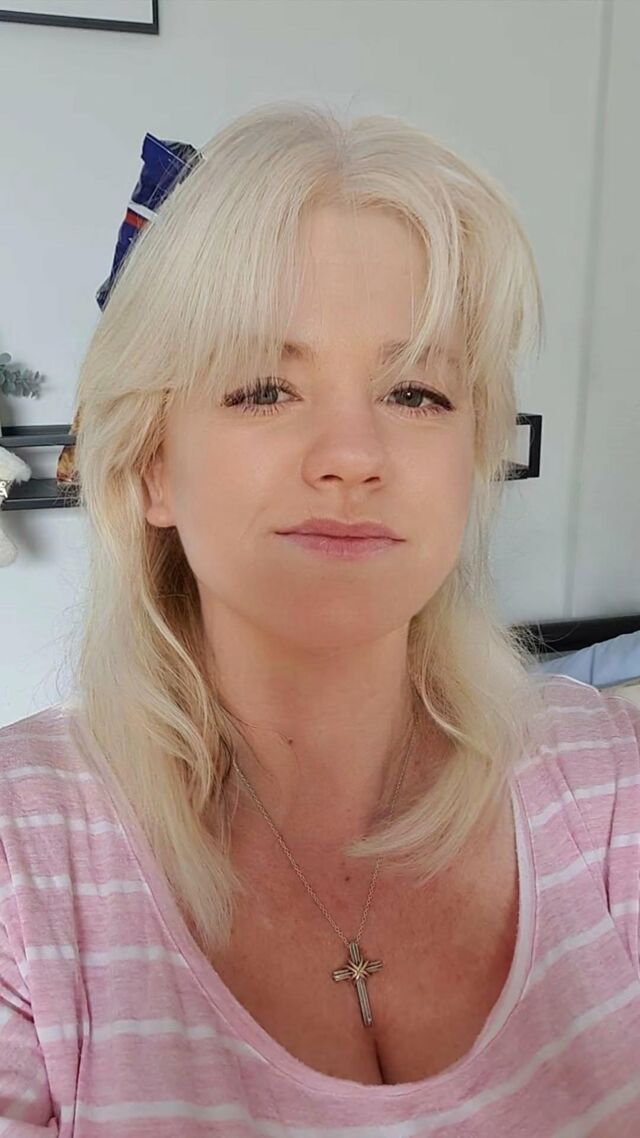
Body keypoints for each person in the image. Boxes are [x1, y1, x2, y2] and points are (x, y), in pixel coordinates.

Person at [1, 100, 639, 1136]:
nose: (353, 454)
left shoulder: (611, 780)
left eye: (417, 393)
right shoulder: (21, 860)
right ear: (153, 465)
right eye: (263, 387)